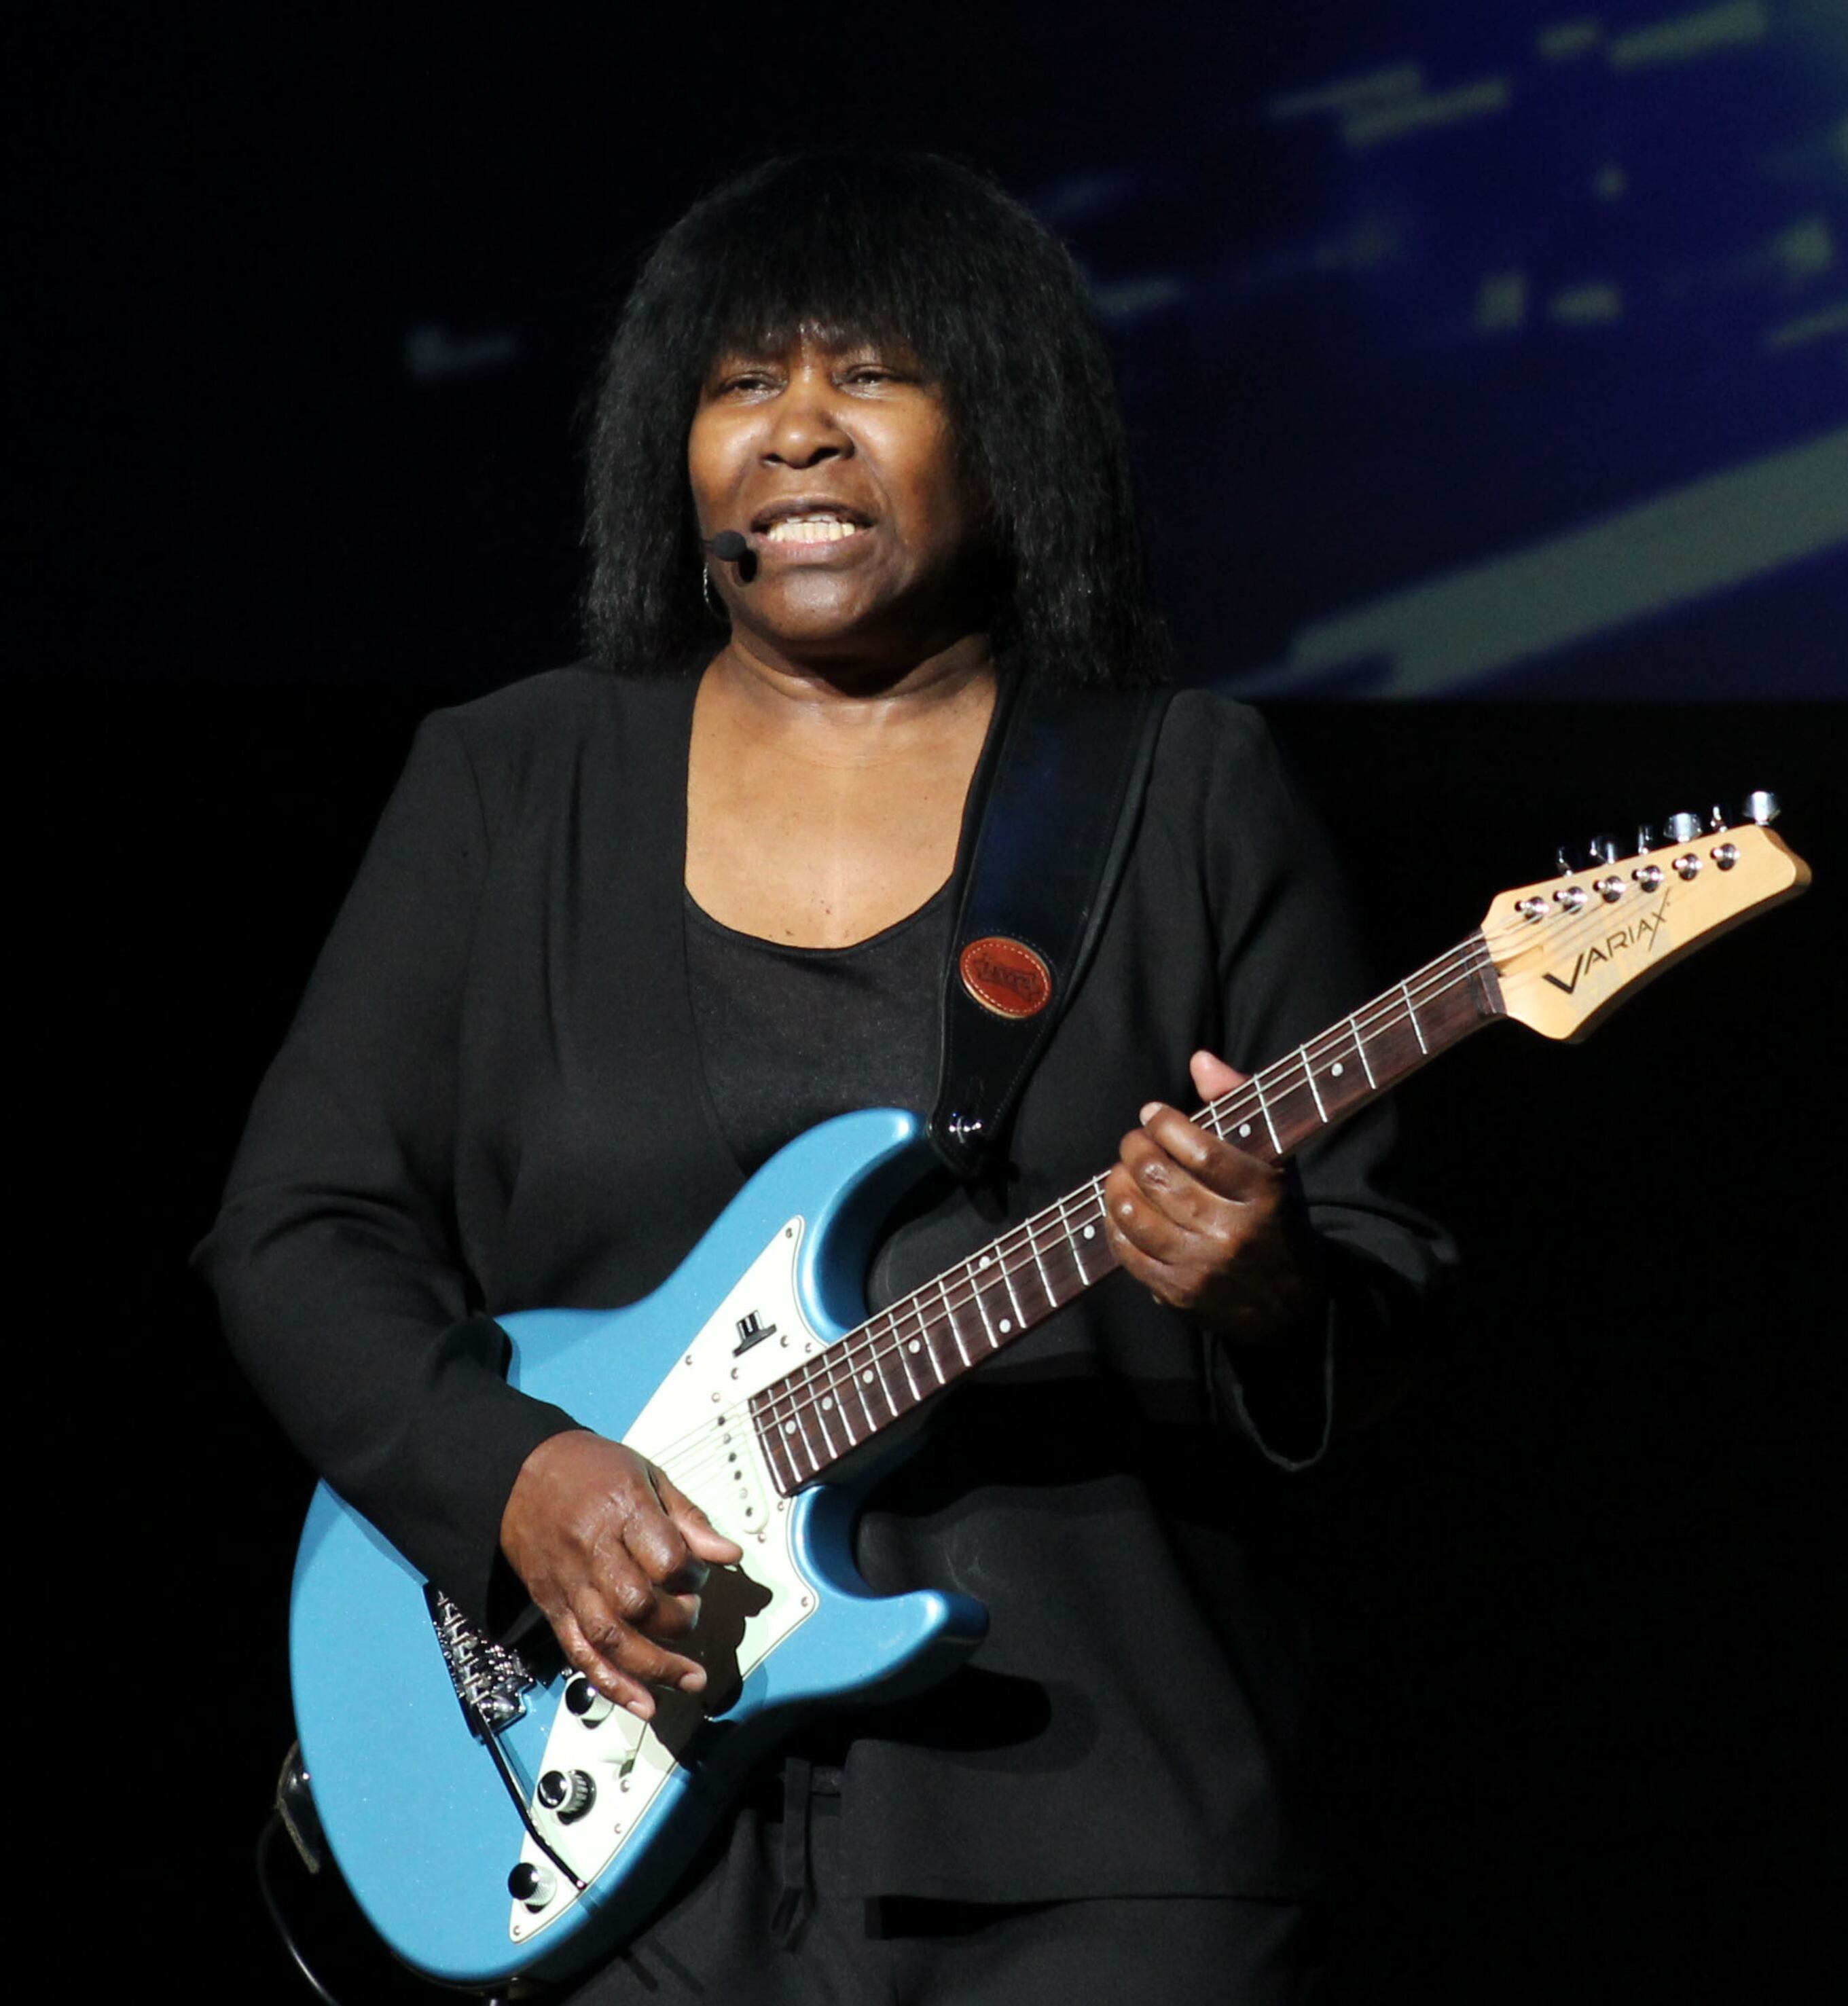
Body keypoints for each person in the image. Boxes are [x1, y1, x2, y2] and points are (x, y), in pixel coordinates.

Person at [198, 149, 1452, 2003]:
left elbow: (1386, 1304)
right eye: (736, 384)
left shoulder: (1183, 791)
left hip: (1099, 1841)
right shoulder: (510, 783)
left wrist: (1264, 1283)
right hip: (618, 1839)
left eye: (871, 375)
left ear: (1004, 427)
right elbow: (296, 1233)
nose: (796, 432)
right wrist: (516, 1472)